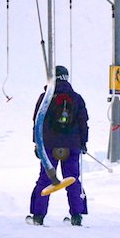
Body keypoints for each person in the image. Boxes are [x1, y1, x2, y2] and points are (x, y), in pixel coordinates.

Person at [27, 66, 88, 226]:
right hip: (72, 144)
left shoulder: (45, 97)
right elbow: (83, 122)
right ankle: (77, 216)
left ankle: (38, 216)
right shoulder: (76, 98)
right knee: (72, 179)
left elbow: (37, 121)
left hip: (49, 145)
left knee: (45, 179)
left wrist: (37, 144)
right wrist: (83, 143)